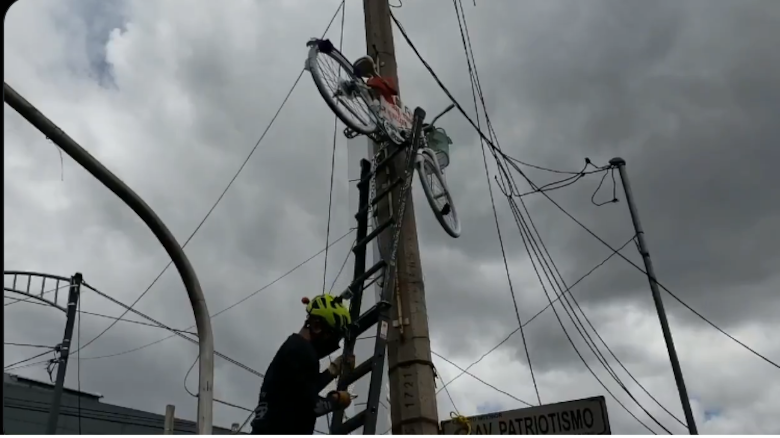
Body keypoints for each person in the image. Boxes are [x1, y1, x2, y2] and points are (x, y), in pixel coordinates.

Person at [250, 294, 356, 436]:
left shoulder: (293, 348)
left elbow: (302, 393)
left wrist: (332, 371)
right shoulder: (303, 352)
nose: (333, 343)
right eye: (332, 336)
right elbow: (313, 407)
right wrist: (337, 399)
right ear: (317, 326)